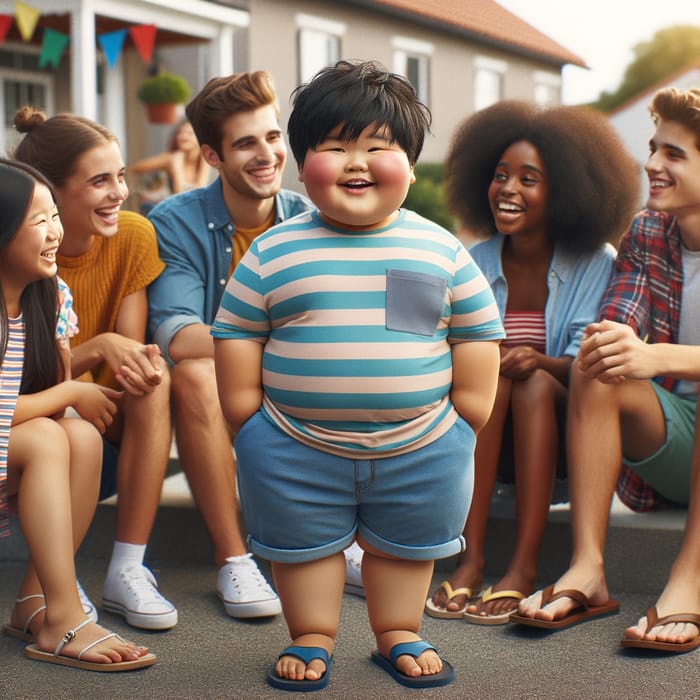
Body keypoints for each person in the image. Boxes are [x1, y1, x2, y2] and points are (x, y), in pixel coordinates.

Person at [211, 59, 504, 691]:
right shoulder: (274, 250)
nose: (356, 162)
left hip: (424, 441)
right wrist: (245, 416)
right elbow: (237, 331)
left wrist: (467, 414)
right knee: (303, 544)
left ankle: (397, 630)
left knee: (406, 542)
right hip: (291, 440)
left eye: (378, 146)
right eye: (335, 146)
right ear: (301, 161)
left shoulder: (440, 249)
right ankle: (311, 634)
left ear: (411, 161)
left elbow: (476, 333)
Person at [426, 101, 639, 623]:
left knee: (534, 384)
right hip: (487, 438)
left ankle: (522, 567)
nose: (508, 189)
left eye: (529, 178)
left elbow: (592, 366)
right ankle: (470, 559)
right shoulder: (470, 261)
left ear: (564, 190)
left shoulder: (596, 264)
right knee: (497, 381)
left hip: (568, 445)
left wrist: (540, 361)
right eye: (499, 176)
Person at [513, 86, 700, 653]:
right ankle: (588, 569)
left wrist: (661, 356)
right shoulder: (648, 232)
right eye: (653, 148)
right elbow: (616, 330)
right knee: (600, 361)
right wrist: (620, 344)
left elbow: (654, 357)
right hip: (671, 446)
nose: (651, 165)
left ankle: (690, 580)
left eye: (674, 154)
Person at [147, 71, 329, 619]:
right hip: (220, 395)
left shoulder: (311, 219)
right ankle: (234, 560)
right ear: (211, 155)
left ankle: (331, 540)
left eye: (272, 137)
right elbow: (179, 336)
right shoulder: (175, 222)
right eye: (246, 142)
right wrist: (280, 338)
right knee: (199, 372)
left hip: (292, 393)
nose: (266, 154)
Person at [12, 108, 177, 631]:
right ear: (50, 194)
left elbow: (108, 361)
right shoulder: (25, 273)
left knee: (138, 393)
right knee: (56, 434)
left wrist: (121, 363)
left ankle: (107, 573)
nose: (120, 192)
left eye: (122, 176)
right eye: (100, 180)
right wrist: (89, 366)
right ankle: (56, 599)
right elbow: (55, 385)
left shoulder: (55, 286)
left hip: (80, 420)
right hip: (36, 423)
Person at [0, 158, 155, 671]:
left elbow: (57, 392)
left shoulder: (50, 296)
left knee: (80, 436)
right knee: (48, 436)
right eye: (38, 220)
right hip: (17, 439)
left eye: (54, 217)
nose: (55, 233)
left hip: (12, 445)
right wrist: (70, 390)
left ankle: (36, 601)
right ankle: (65, 618)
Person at [129, 118, 213, 215]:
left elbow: (200, 193)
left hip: (187, 211)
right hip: (167, 210)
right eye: (180, 133)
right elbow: (135, 169)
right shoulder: (170, 159)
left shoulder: (204, 160)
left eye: (190, 133)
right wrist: (139, 194)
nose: (183, 136)